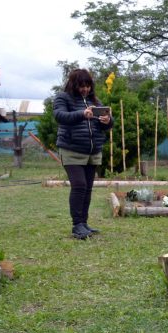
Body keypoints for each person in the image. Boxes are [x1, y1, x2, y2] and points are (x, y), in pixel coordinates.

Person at [53, 68, 113, 239]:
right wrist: (81, 113)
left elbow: (107, 125)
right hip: (71, 149)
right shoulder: (63, 98)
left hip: (92, 151)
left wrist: (107, 120)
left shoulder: (95, 100)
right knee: (79, 185)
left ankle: (84, 223)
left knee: (87, 188)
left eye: (88, 86)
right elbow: (59, 116)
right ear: (73, 84)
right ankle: (76, 225)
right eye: (82, 86)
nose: (85, 89)